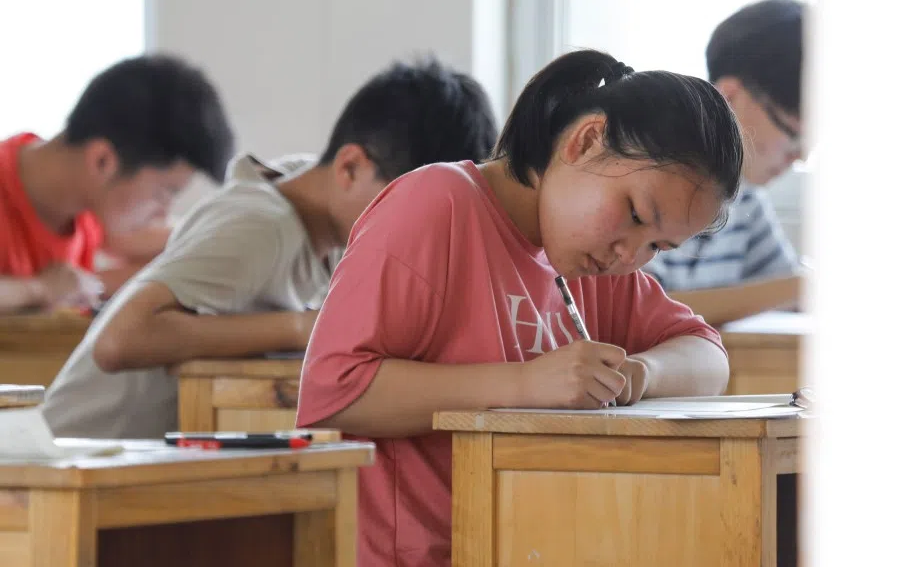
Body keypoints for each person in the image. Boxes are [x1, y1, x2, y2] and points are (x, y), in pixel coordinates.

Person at [296, 49, 745, 565]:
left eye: (658, 247)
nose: (633, 254)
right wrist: (525, 383)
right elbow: (333, 392)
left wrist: (643, 371)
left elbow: (710, 357)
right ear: (586, 141)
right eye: (636, 214)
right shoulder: (436, 203)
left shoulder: (597, 262)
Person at [42, 57, 498, 439]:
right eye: (411, 213)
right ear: (350, 168)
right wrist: (302, 328)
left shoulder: (329, 216)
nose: (418, 237)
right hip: (74, 457)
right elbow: (119, 342)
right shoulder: (261, 223)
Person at [0, 54, 234, 314]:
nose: (163, 212)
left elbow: (177, 248)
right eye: (162, 193)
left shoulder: (84, 211)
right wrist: (39, 289)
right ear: (102, 161)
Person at [643, 0, 807, 325]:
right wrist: (802, 287)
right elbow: (641, 311)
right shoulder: (647, 175)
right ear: (730, 97)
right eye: (791, 135)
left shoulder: (746, 197)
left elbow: (788, 293)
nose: (799, 156)